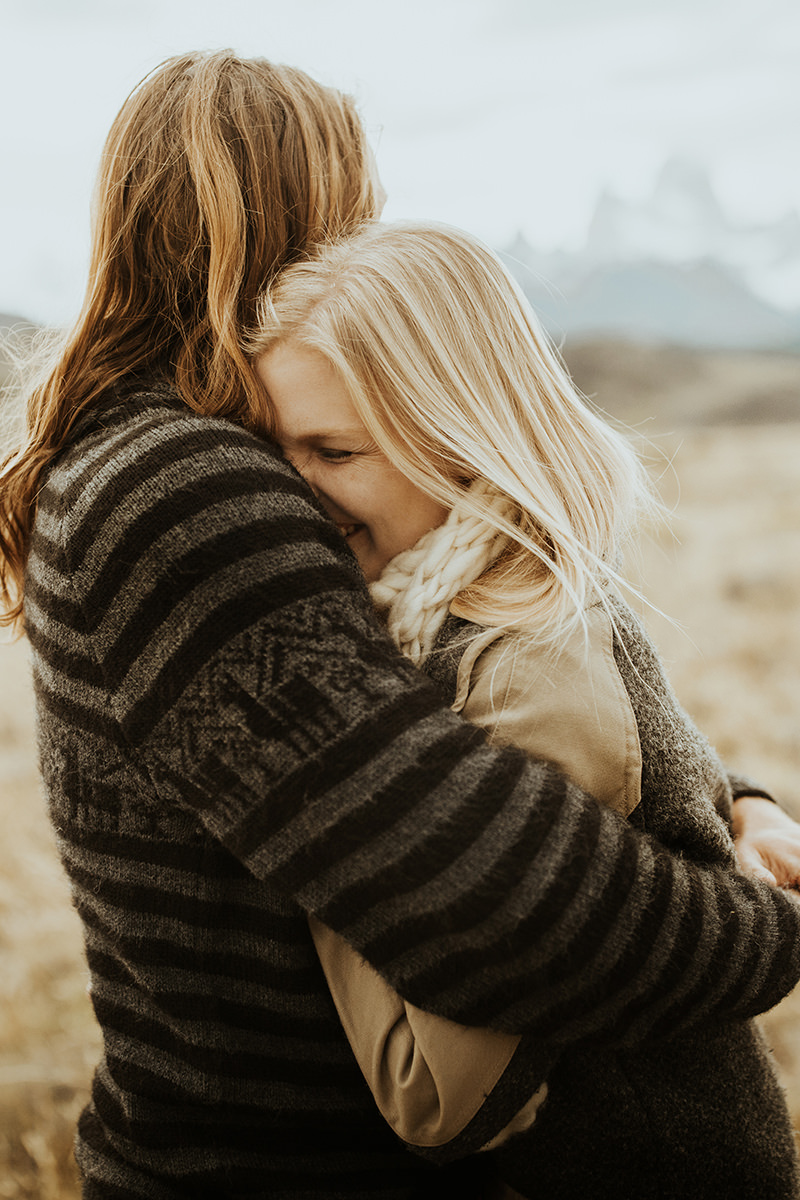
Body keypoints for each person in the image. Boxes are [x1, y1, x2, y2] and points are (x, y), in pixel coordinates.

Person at [1, 50, 800, 1200]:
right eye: (350, 212)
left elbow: (442, 713)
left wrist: (725, 799)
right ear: (307, 210)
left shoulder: (173, 460)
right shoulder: (182, 485)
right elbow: (491, 897)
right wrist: (765, 924)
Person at [249, 219, 800, 1198]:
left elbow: (439, 1101)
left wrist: (309, 797)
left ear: (463, 443)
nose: (290, 497)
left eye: (331, 451)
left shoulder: (522, 672)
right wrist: (745, 804)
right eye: (274, 451)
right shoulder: (476, 597)